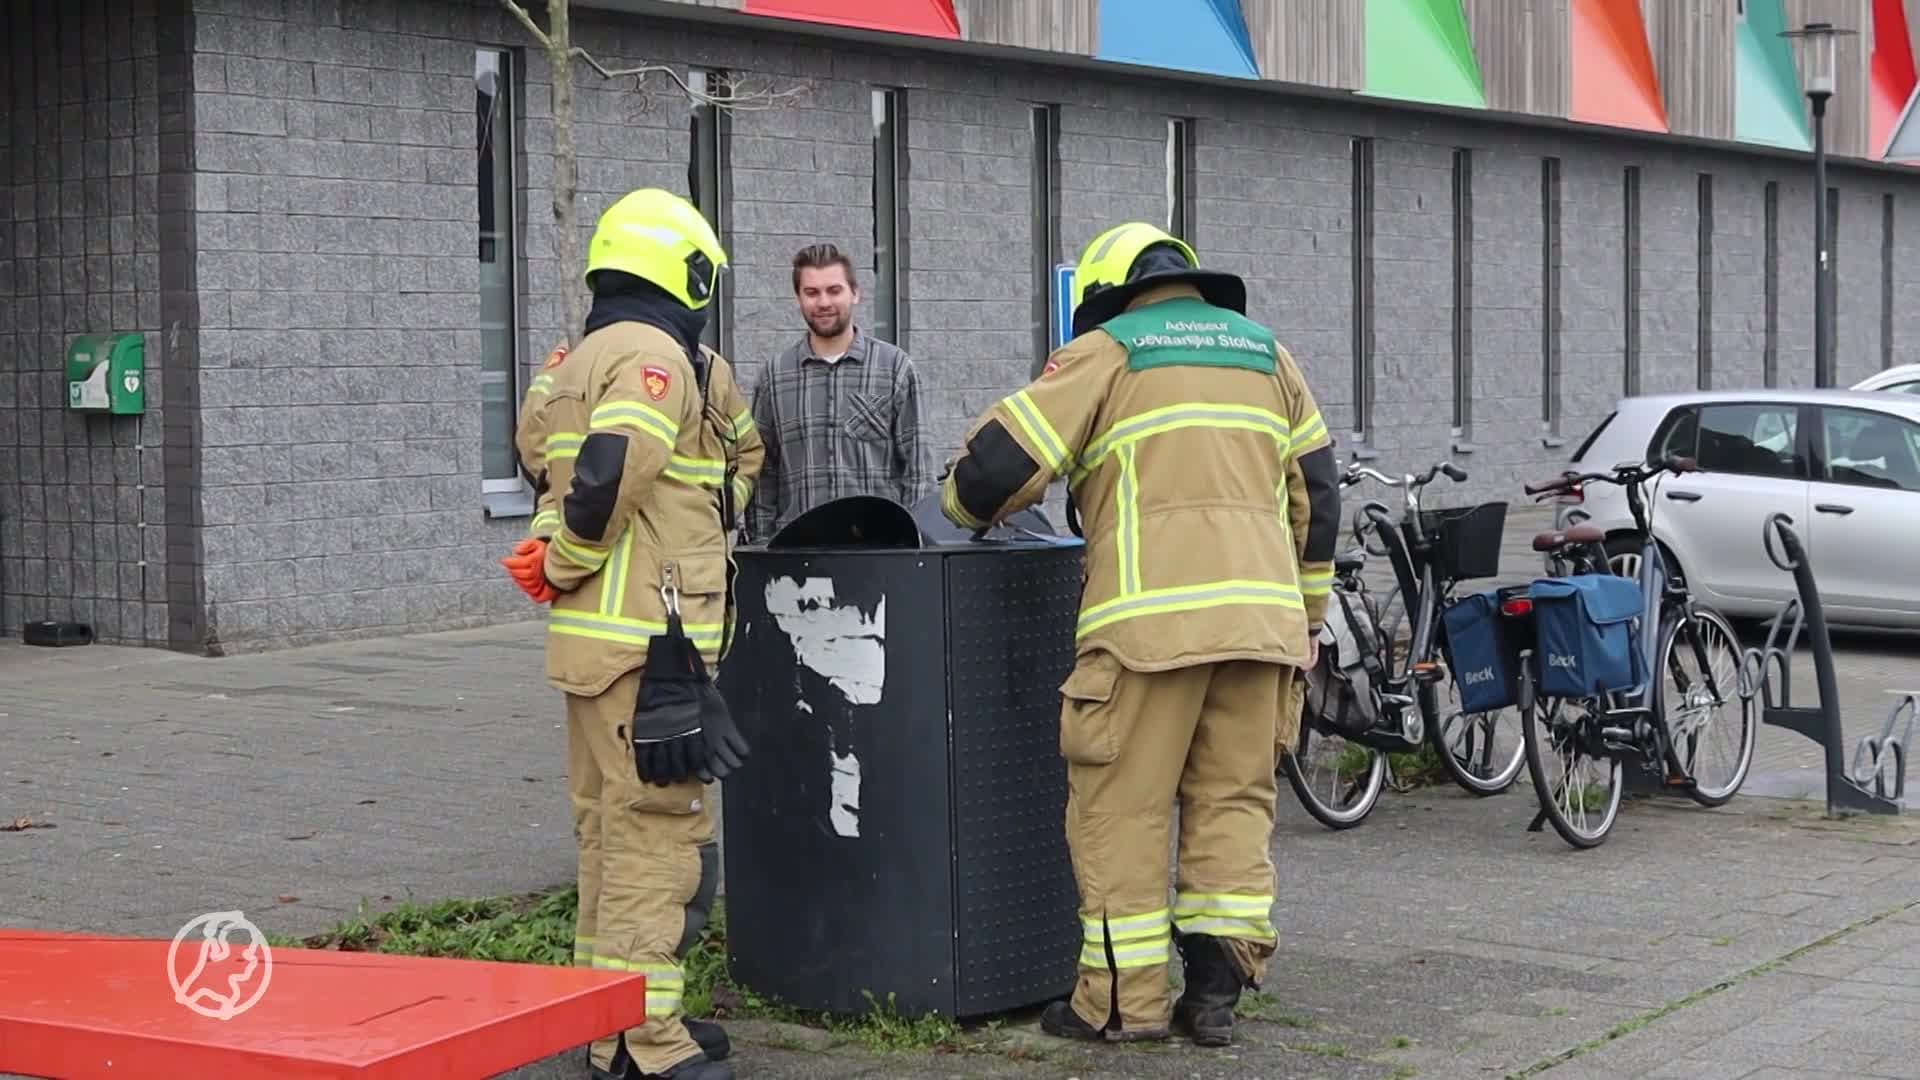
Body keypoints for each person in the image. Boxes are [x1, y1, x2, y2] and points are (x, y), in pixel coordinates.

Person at [938, 222, 1339, 1048]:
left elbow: (995, 471)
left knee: (1121, 811)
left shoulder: (1108, 351)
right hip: (1261, 632)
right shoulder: (1269, 355)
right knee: (1234, 803)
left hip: (1145, 634)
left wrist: (957, 509)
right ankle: (1216, 997)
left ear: (1107, 294)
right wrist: (1306, 617)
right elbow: (1322, 495)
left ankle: (1123, 1005)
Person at [501, 186, 764, 1080]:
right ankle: (651, 1044)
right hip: (655, 646)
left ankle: (607, 1026)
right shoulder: (662, 355)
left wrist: (552, 547)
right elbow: (613, 468)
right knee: (659, 831)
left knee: (606, 833)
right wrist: (574, 551)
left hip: (592, 645)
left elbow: (540, 458)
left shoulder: (570, 358)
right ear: (681, 269)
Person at [740, 242, 934, 542]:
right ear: (798, 299)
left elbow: (918, 470)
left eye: (834, 290)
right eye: (812, 292)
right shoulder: (775, 377)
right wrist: (763, 545)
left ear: (855, 293)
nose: (823, 302)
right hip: (798, 557)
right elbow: (763, 475)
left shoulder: (894, 368)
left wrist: (912, 545)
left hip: (880, 552)